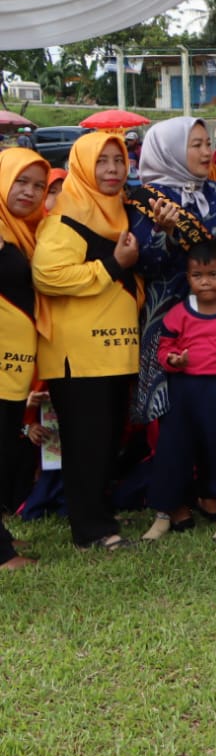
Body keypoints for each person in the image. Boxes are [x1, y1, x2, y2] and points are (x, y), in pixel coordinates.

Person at [32, 132, 141, 550]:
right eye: (102, 161)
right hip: (78, 356)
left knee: (107, 440)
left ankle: (99, 517)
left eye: (119, 160)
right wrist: (113, 264)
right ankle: (91, 531)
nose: (112, 170)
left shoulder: (118, 214)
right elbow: (49, 275)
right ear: (82, 166)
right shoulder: (66, 218)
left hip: (113, 353)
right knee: (87, 444)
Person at [128, 117, 216, 428]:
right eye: (196, 145)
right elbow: (145, 263)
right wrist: (168, 232)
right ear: (169, 150)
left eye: (208, 144)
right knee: (173, 417)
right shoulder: (145, 199)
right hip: (170, 319)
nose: (206, 152)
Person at [143, 241, 216, 543]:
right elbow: (164, 348)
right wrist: (172, 360)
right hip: (182, 391)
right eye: (197, 275)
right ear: (188, 277)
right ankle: (164, 513)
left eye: (213, 274)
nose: (205, 281)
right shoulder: (178, 314)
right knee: (172, 450)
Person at [0, 148, 49, 568]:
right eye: (21, 181)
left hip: (13, 366)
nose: (30, 192)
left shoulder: (20, 230)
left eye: (38, 185)